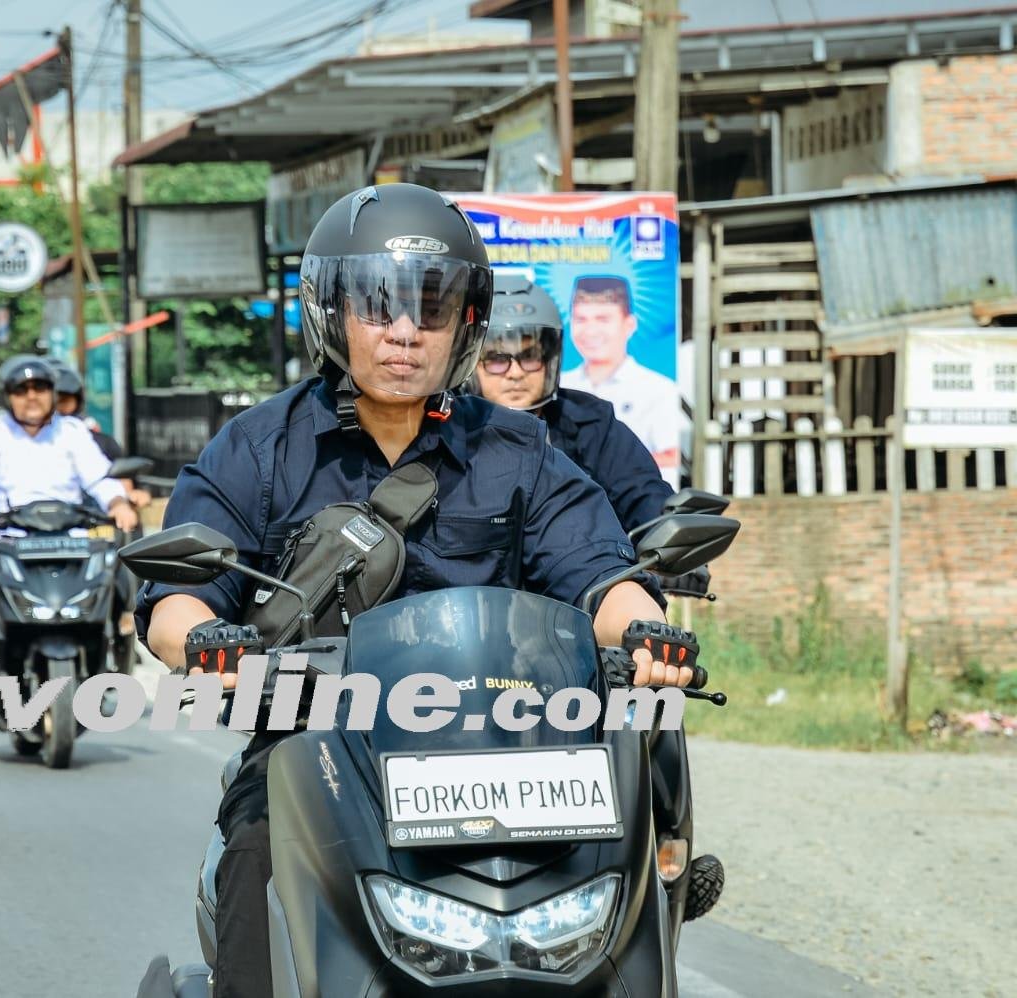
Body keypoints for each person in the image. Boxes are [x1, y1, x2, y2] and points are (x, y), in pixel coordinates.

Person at [135, 184, 696, 998]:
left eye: (432, 309)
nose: (404, 332)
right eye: (378, 307)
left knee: (634, 858)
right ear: (331, 313)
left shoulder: (520, 451)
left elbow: (599, 572)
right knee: (254, 852)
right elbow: (174, 596)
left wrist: (648, 633)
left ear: (465, 322)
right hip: (320, 749)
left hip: (516, 752)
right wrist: (205, 640)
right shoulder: (260, 449)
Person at [0, 355, 140, 654]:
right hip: (10, 538)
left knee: (109, 574)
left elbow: (99, 475)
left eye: (39, 388)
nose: (31, 396)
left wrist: (118, 502)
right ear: (7, 396)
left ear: (52, 392)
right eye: (21, 389)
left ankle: (109, 650)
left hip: (71, 538)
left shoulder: (72, 431)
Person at [469, 274, 673, 533]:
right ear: (473, 364)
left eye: (530, 357)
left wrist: (668, 540)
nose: (516, 372)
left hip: (588, 572)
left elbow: (644, 497)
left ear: (551, 359)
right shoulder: (447, 427)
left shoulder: (592, 424)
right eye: (498, 359)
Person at [560, 274, 681, 482]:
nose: (590, 331)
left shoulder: (658, 389)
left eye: (603, 319)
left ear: (629, 324)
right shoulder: (559, 386)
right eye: (581, 319)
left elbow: (670, 457)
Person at [53, 364, 150, 509]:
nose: (56, 408)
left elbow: (114, 481)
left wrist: (124, 501)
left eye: (63, 401)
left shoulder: (90, 439)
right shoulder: (12, 442)